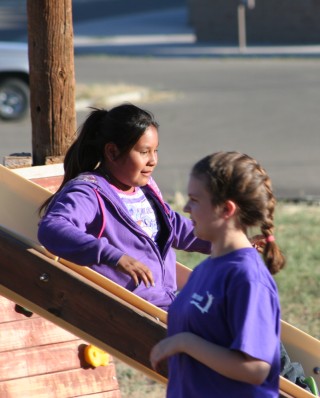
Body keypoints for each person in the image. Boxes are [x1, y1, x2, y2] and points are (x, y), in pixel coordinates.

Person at [37, 104, 211, 311]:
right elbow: (52, 228)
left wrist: (227, 239)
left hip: (167, 303)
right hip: (133, 312)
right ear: (112, 152)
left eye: (155, 151)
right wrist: (115, 257)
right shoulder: (89, 192)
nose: (153, 160)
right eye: (144, 152)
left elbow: (176, 228)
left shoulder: (144, 189)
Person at [150, 151, 286, 397]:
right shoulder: (206, 268)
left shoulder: (247, 277)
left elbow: (255, 369)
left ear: (226, 209)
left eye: (194, 199)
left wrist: (184, 343)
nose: (185, 207)